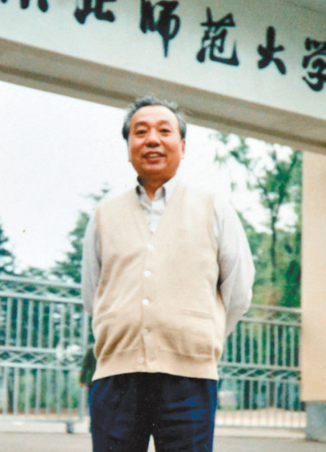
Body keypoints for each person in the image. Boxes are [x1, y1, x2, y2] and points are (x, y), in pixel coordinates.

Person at [82, 96, 254, 452]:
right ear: (128, 146)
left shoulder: (214, 207)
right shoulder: (104, 215)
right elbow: (93, 293)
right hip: (117, 377)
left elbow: (238, 290)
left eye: (164, 131)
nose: (152, 140)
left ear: (183, 146)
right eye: (140, 132)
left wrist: (199, 337)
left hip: (189, 378)